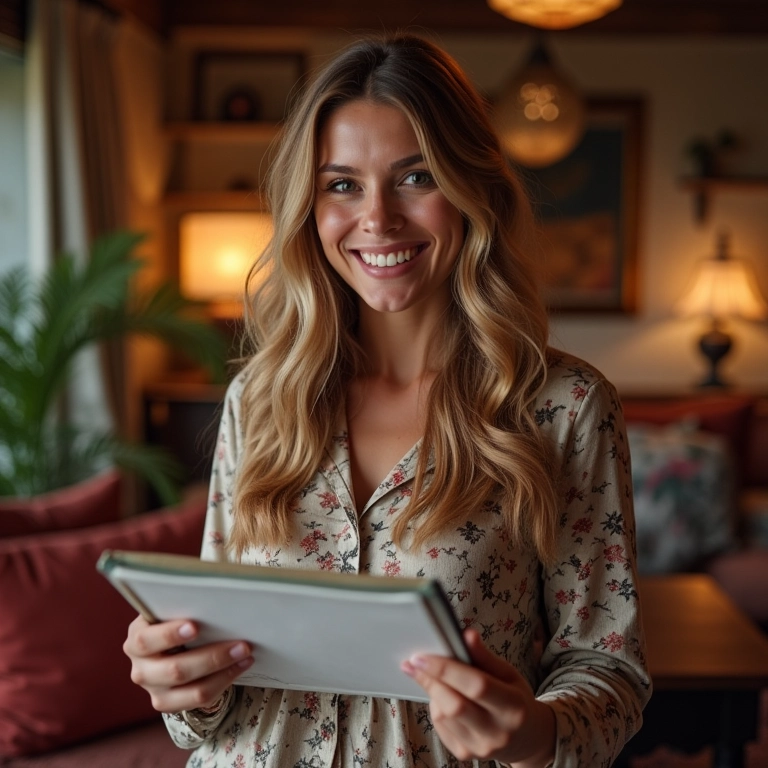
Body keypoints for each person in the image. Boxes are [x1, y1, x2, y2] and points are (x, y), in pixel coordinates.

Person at [123, 33, 651, 768]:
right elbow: (206, 704)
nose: (376, 218)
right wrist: (181, 683)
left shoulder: (564, 408)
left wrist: (532, 733)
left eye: (415, 177)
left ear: (474, 190)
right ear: (310, 205)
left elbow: (608, 666)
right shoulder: (261, 398)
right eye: (342, 184)